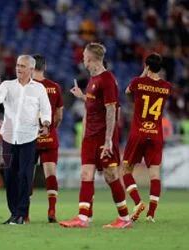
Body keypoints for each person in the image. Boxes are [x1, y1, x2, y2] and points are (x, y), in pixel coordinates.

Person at [59, 42, 132, 229]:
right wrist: (82, 96)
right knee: (85, 174)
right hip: (90, 136)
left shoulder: (107, 80)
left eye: (84, 56)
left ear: (90, 58)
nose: (82, 59)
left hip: (103, 137)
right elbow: (95, 102)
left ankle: (124, 218)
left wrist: (108, 140)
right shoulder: (93, 79)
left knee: (110, 175)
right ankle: (82, 218)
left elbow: (111, 110)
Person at [0, 55, 52, 224]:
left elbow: (46, 111)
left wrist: (46, 124)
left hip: (29, 138)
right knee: (10, 176)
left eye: (23, 66)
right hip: (9, 137)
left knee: (25, 176)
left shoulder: (39, 89)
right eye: (17, 65)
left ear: (31, 69)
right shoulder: (7, 85)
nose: (18, 68)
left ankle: (21, 214)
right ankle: (13, 213)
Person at [122, 53, 171, 223]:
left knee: (126, 169)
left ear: (147, 66)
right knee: (155, 174)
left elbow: (127, 91)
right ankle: (151, 214)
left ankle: (137, 202)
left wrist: (143, 74)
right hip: (156, 134)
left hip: (138, 132)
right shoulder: (166, 87)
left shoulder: (138, 82)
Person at [31, 54, 63, 223]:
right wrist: (51, 129)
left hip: (30, 138)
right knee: (50, 173)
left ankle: (25, 213)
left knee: (28, 174)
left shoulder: (26, 87)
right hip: (49, 136)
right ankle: (51, 210)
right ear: (45, 67)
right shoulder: (55, 87)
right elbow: (59, 114)